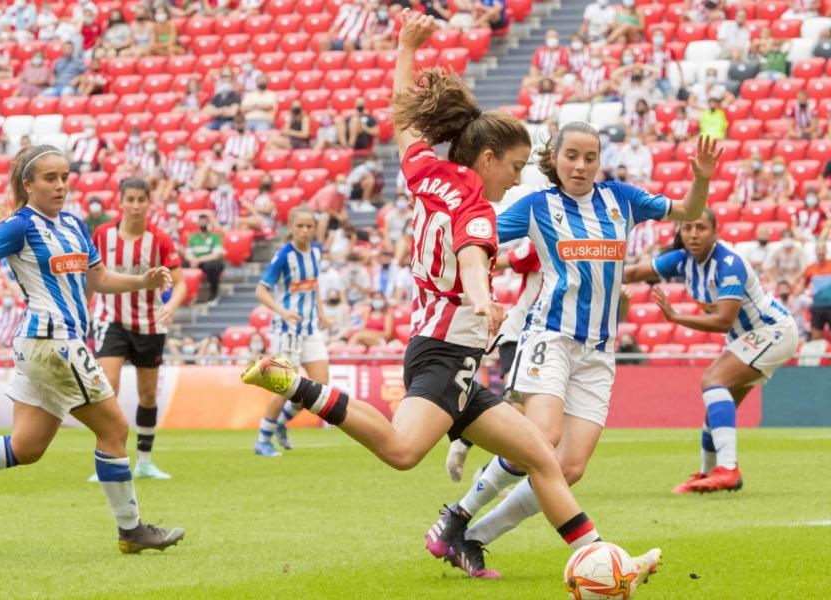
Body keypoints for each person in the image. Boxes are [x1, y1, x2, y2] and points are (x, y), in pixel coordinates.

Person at [242, 11, 659, 581]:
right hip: (443, 352)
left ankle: (604, 561)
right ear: (487, 159)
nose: (516, 179)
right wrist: (485, 297)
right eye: (513, 168)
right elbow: (470, 250)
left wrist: (405, 49)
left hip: (454, 360)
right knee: (401, 450)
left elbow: (401, 121)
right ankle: (296, 384)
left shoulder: (428, 173)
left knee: (541, 456)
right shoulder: (475, 207)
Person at [426, 123, 719, 576]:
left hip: (599, 352)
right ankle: (458, 515)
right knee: (541, 441)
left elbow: (688, 211)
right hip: (551, 337)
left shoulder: (622, 198)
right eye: (572, 157)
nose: (581, 166)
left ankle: (469, 537)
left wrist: (700, 178)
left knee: (571, 467)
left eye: (589, 157)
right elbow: (478, 236)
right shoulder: (538, 205)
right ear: (555, 159)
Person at [0, 146, 185, 553]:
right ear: (28, 184)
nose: (60, 186)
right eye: (50, 178)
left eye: (64, 177)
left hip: (42, 347)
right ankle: (131, 529)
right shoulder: (20, 226)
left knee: (26, 447)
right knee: (115, 430)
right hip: (55, 344)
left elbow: (100, 279)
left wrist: (143, 282)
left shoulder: (74, 224)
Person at [624, 209, 799, 493]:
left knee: (713, 381)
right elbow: (632, 272)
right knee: (717, 407)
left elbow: (723, 321)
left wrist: (675, 317)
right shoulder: (683, 260)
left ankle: (728, 469)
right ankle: (707, 473)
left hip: (772, 331)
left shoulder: (728, 263)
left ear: (715, 233)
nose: (693, 234)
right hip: (747, 337)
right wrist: (595, 275)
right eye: (688, 228)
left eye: (701, 228)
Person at [89, 178, 187, 479]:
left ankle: (144, 461)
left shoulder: (159, 240)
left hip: (148, 323)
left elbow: (180, 283)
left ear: (149, 202)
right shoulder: (102, 235)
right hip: (110, 320)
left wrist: (170, 306)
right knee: (108, 385)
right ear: (120, 201)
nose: (135, 205)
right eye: (129, 199)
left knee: (147, 394)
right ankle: (108, 458)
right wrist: (82, 311)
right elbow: (92, 279)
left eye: (140, 199)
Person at [251, 208, 329, 457]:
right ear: (291, 228)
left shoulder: (316, 251)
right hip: (286, 330)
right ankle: (263, 439)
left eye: (309, 226)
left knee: (320, 386)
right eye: (300, 226)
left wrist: (322, 312)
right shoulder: (284, 256)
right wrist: (282, 311)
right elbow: (261, 291)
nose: (305, 231)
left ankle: (281, 424)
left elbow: (314, 285)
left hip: (310, 327)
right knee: (286, 387)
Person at [183, 213, 225, 302]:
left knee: (212, 266)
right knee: (184, 265)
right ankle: (186, 294)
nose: (203, 224)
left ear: (208, 223)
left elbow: (217, 254)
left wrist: (199, 259)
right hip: (195, 261)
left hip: (208, 261)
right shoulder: (193, 237)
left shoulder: (214, 237)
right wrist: (193, 260)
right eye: (201, 222)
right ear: (198, 223)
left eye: (205, 222)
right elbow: (188, 254)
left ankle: (214, 292)